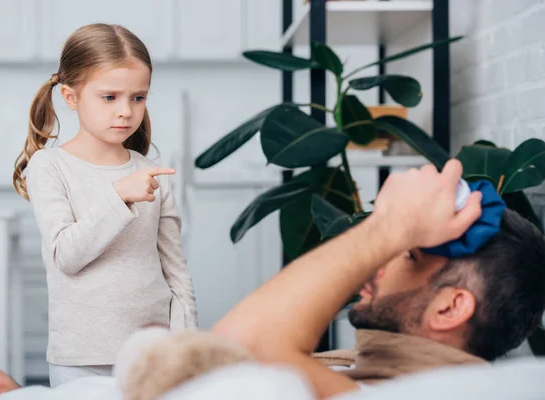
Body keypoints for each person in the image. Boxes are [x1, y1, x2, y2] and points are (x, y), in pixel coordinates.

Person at [212, 160, 545, 398]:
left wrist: (388, 227)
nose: (377, 264)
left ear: (450, 308)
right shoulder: (365, 371)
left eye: (409, 254)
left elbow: (237, 353)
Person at [11, 23, 197, 387]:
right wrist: (118, 195)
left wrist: (186, 342)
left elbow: (176, 271)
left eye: (138, 97)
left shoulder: (151, 173)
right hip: (81, 358)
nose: (126, 111)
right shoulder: (49, 167)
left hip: (153, 354)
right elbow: (66, 254)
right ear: (71, 96)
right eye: (109, 97)